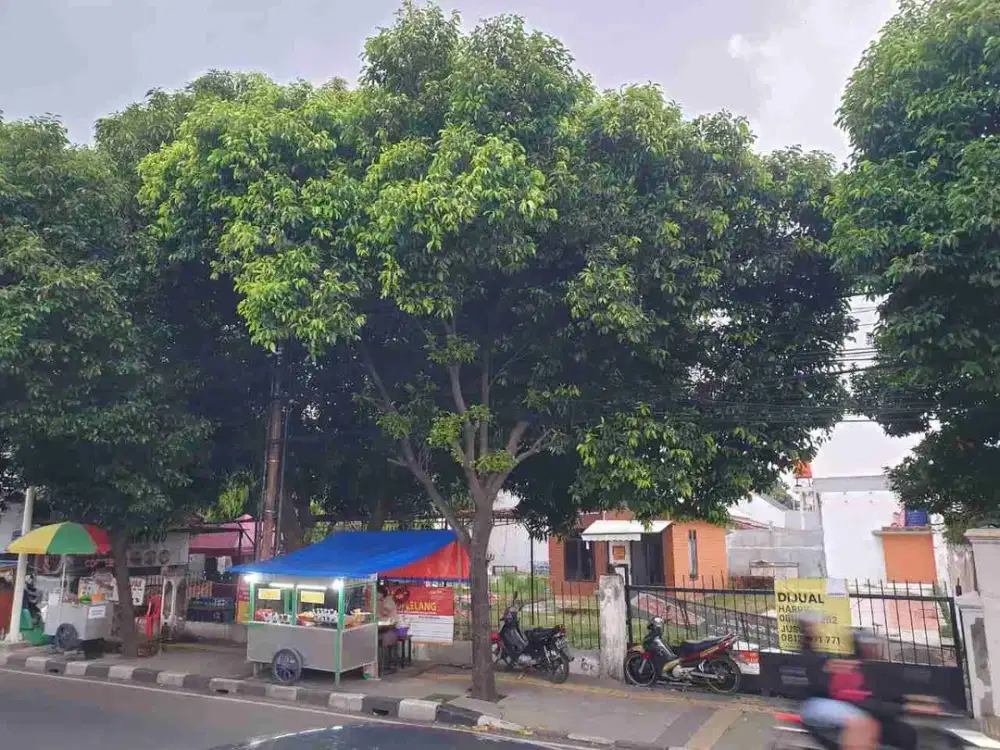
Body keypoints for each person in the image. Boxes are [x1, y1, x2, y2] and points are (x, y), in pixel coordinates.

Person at [798, 613, 882, 750]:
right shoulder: (823, 658)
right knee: (862, 724)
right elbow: (815, 663)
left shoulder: (871, 668)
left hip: (840, 705)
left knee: (870, 727)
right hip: (818, 703)